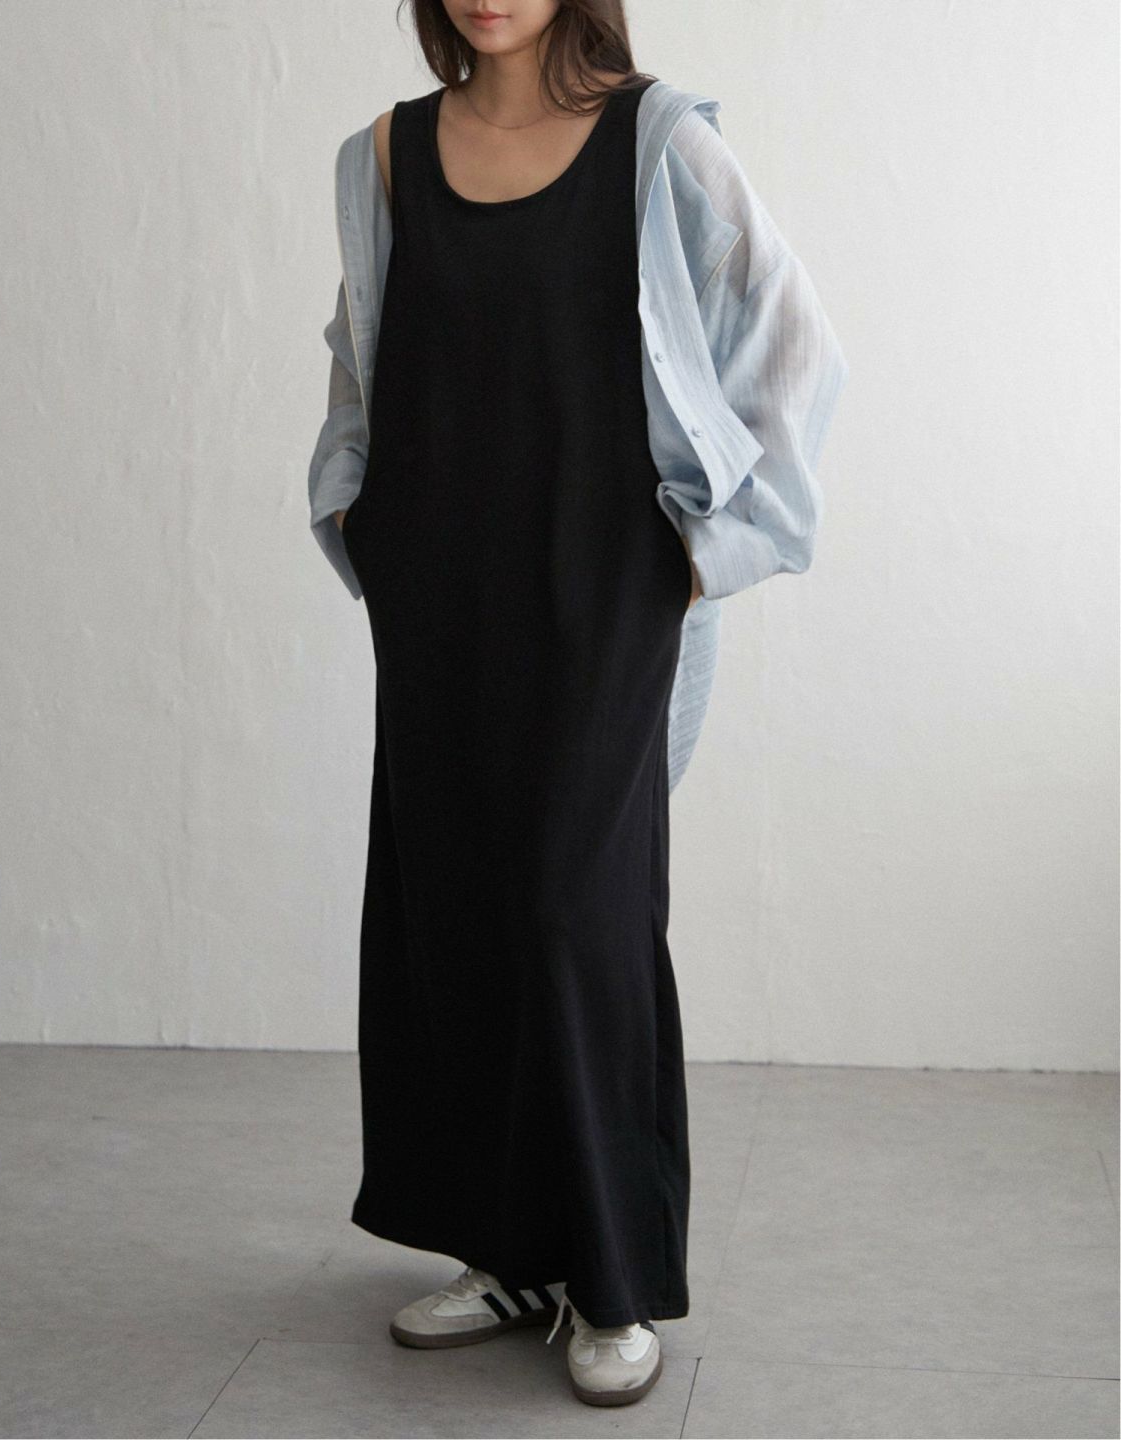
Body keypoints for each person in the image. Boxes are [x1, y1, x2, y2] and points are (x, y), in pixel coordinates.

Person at [307, 0, 849, 1408]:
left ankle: (613, 1278)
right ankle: (507, 1255)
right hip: (439, 591)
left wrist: (704, 552)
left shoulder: (658, 143)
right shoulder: (386, 154)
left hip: (604, 590)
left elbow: (791, 338)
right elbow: (362, 350)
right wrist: (358, 513)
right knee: (458, 909)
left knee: (573, 910)